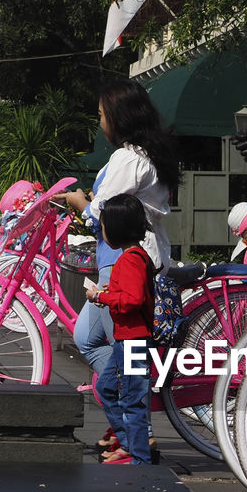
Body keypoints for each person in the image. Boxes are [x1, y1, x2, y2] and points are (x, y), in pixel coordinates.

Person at [63, 79, 179, 380]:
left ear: (119, 117)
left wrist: (80, 203)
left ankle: (132, 407)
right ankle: (123, 395)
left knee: (124, 347)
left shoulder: (127, 158)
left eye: (102, 114)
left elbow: (103, 209)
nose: (100, 122)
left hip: (122, 260)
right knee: (87, 339)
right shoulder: (146, 155)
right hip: (133, 256)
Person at [85, 194, 155, 465]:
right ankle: (129, 444)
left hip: (133, 342)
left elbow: (133, 300)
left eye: (103, 228)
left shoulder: (130, 260)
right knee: (106, 388)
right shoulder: (136, 256)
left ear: (115, 230)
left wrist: (101, 297)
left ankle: (139, 459)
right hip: (127, 341)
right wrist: (110, 291)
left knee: (133, 402)